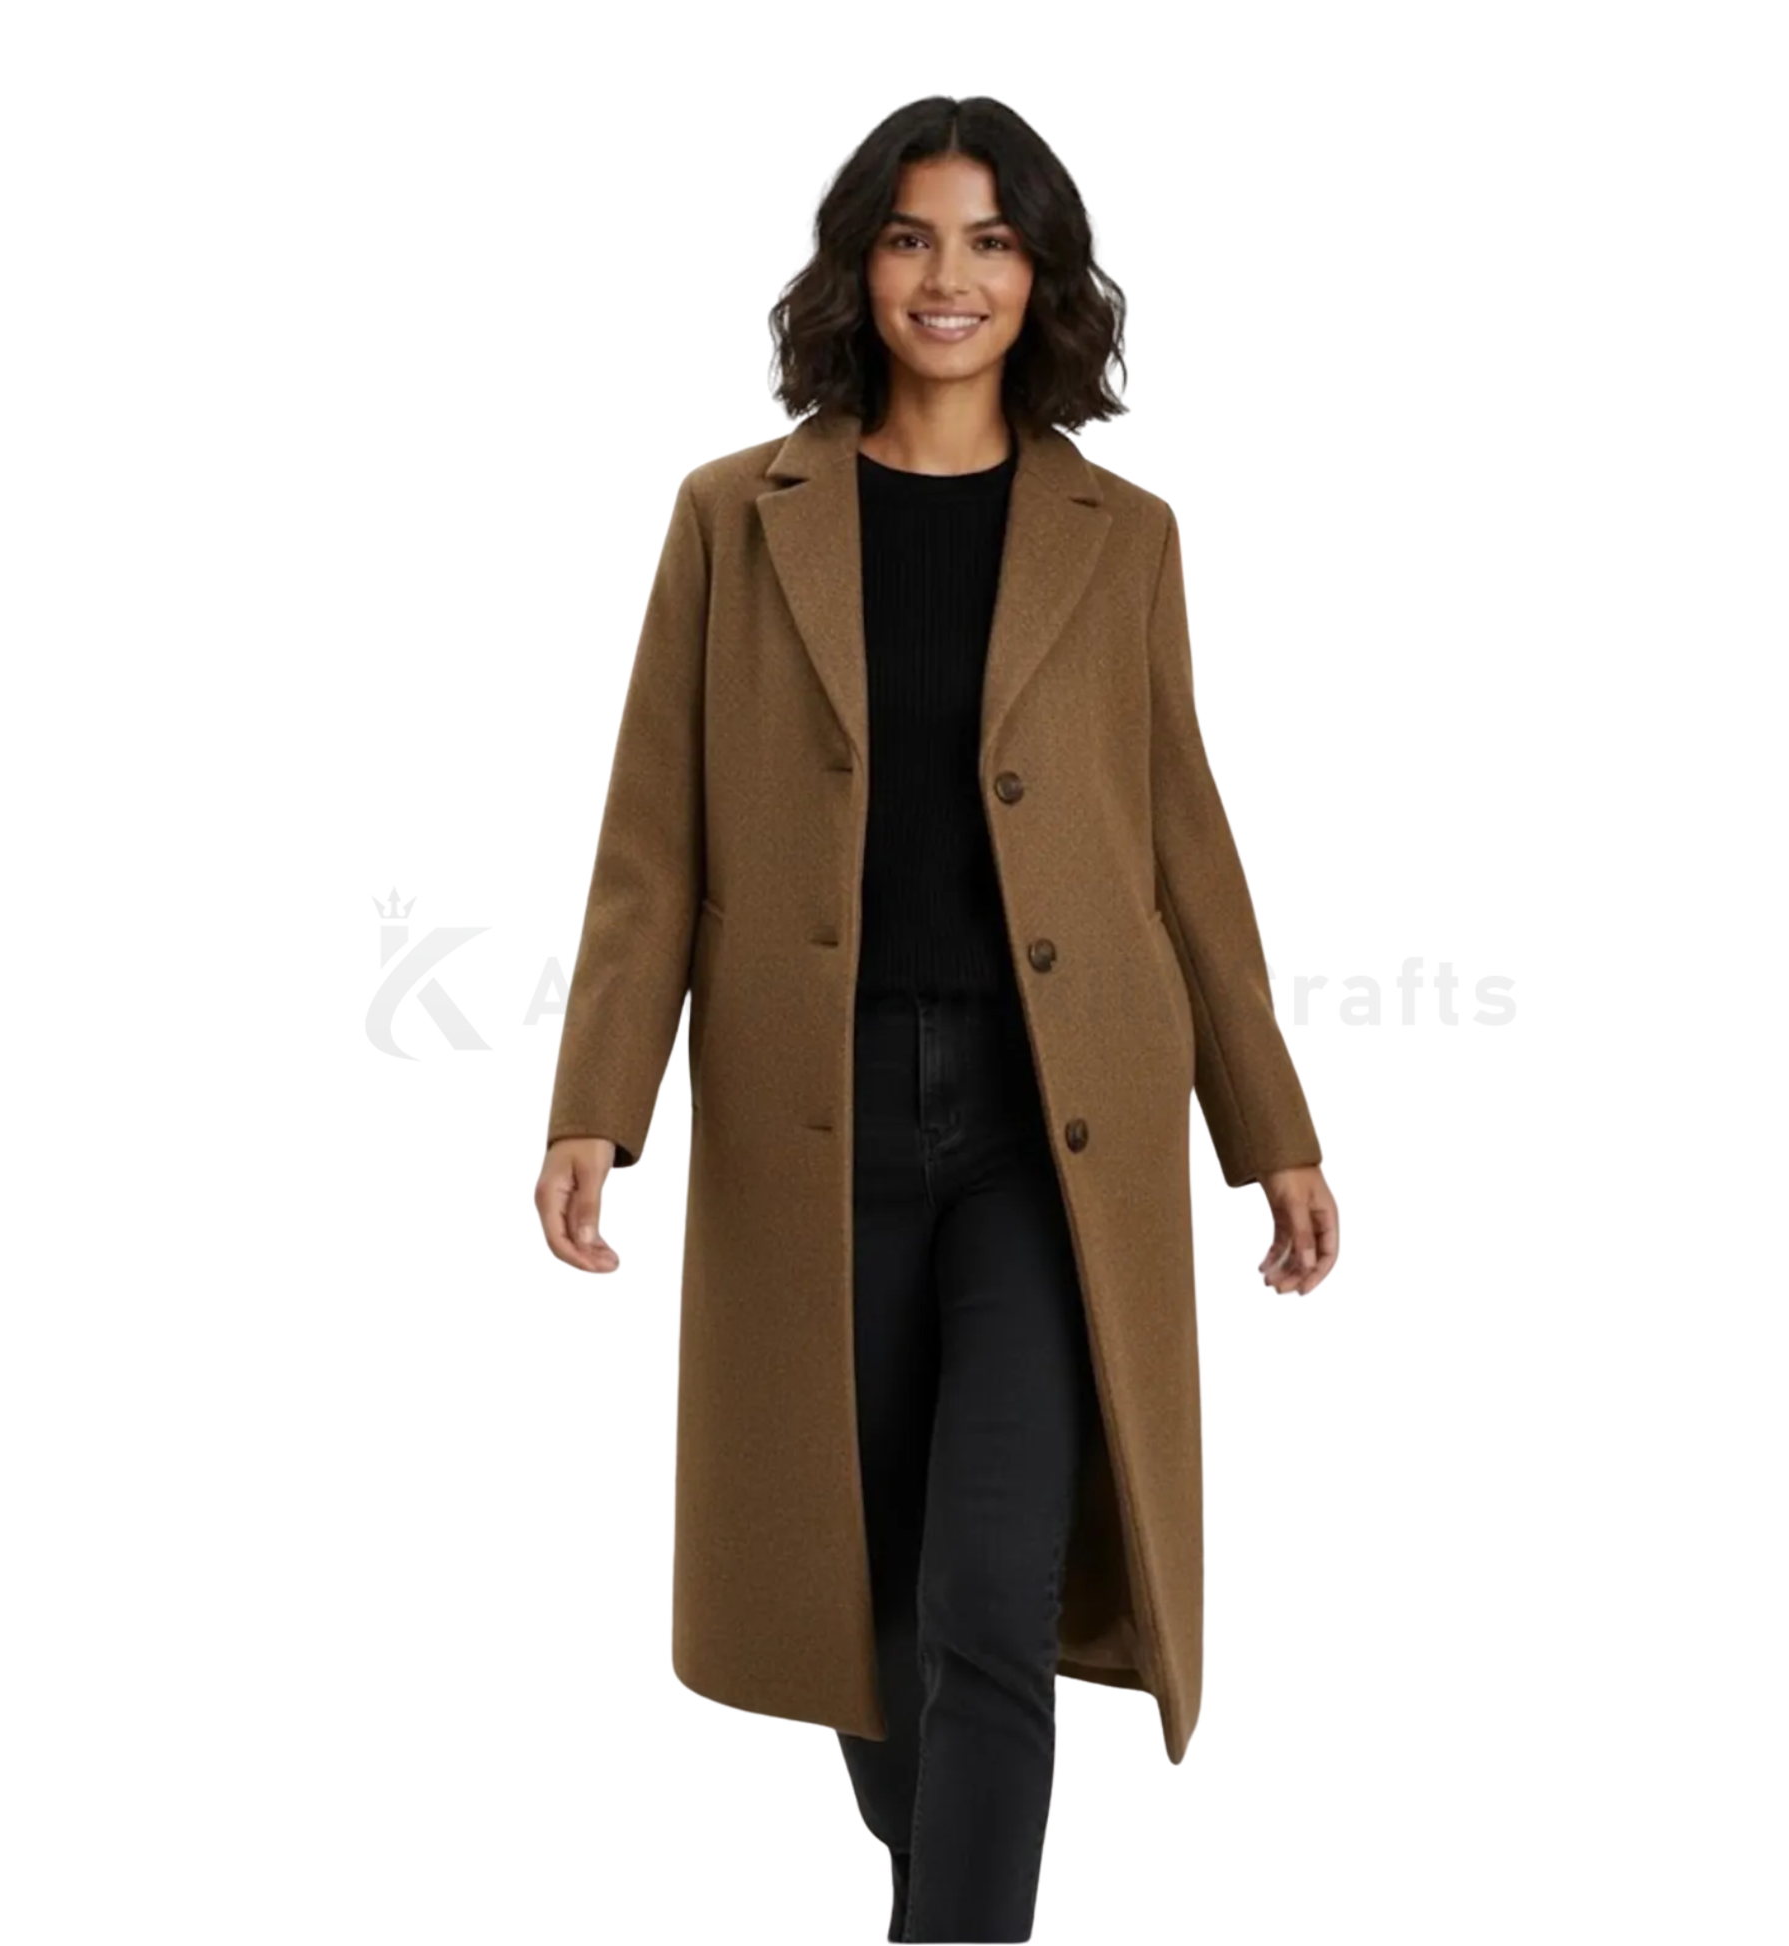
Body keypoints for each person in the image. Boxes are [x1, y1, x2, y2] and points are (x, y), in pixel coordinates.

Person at [537, 95, 1340, 1943]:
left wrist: (1271, 1130)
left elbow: (1183, 846)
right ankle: (946, 1887)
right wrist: (597, 1097)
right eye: (910, 236)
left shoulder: (1119, 536)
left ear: (1040, 275)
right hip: (809, 1115)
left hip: (1051, 1130)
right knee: (869, 1607)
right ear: (859, 265)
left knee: (988, 1588)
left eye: (989, 240)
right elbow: (652, 834)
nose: (948, 276)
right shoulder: (734, 517)